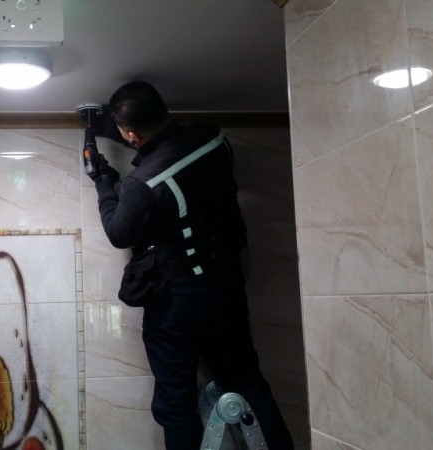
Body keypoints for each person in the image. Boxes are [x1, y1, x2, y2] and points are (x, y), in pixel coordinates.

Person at [87, 81, 294, 450]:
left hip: (177, 301)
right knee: (248, 384)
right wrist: (117, 131)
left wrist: (104, 184)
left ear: (132, 135)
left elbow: (119, 232)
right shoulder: (213, 139)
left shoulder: (141, 183)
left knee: (176, 404)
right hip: (225, 285)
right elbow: (174, 156)